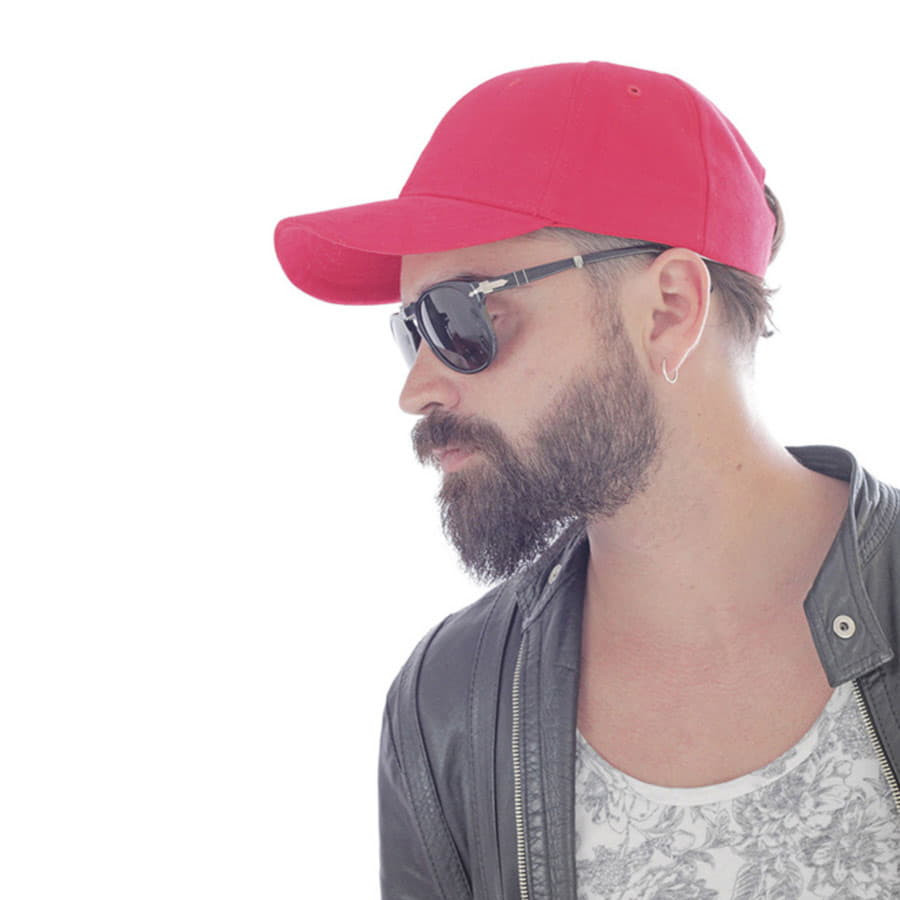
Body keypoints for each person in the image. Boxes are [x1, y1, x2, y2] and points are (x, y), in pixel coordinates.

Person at [274, 62, 900, 898]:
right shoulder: (450, 703)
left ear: (669, 309)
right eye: (409, 331)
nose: (417, 388)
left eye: (458, 318)